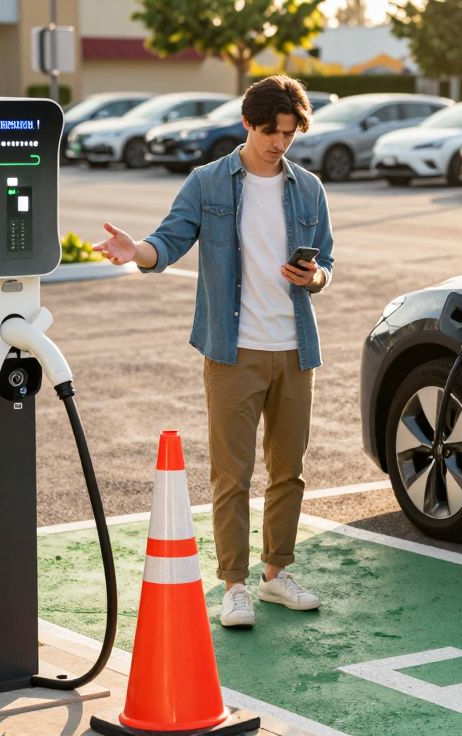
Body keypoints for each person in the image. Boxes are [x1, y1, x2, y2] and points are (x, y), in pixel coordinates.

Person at [93, 75, 333, 629]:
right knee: (232, 474)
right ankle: (235, 586)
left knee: (289, 471)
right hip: (233, 350)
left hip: (295, 348)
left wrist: (314, 275)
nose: (280, 143)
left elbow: (327, 265)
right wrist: (139, 253)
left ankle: (277, 575)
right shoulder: (208, 183)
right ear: (247, 124)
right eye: (272, 132)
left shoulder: (310, 189)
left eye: (290, 134)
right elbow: (170, 240)